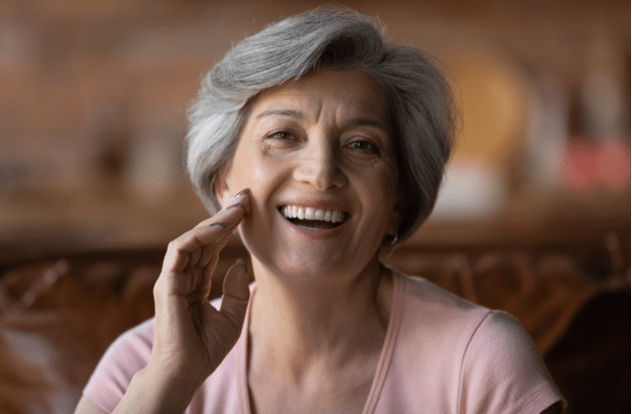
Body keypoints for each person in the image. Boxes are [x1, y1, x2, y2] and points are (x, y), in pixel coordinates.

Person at [75, 7, 564, 414]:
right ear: (224, 181)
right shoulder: (140, 364)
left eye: (361, 144)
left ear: (398, 203)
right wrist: (170, 381)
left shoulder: (479, 362)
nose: (322, 172)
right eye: (283, 135)